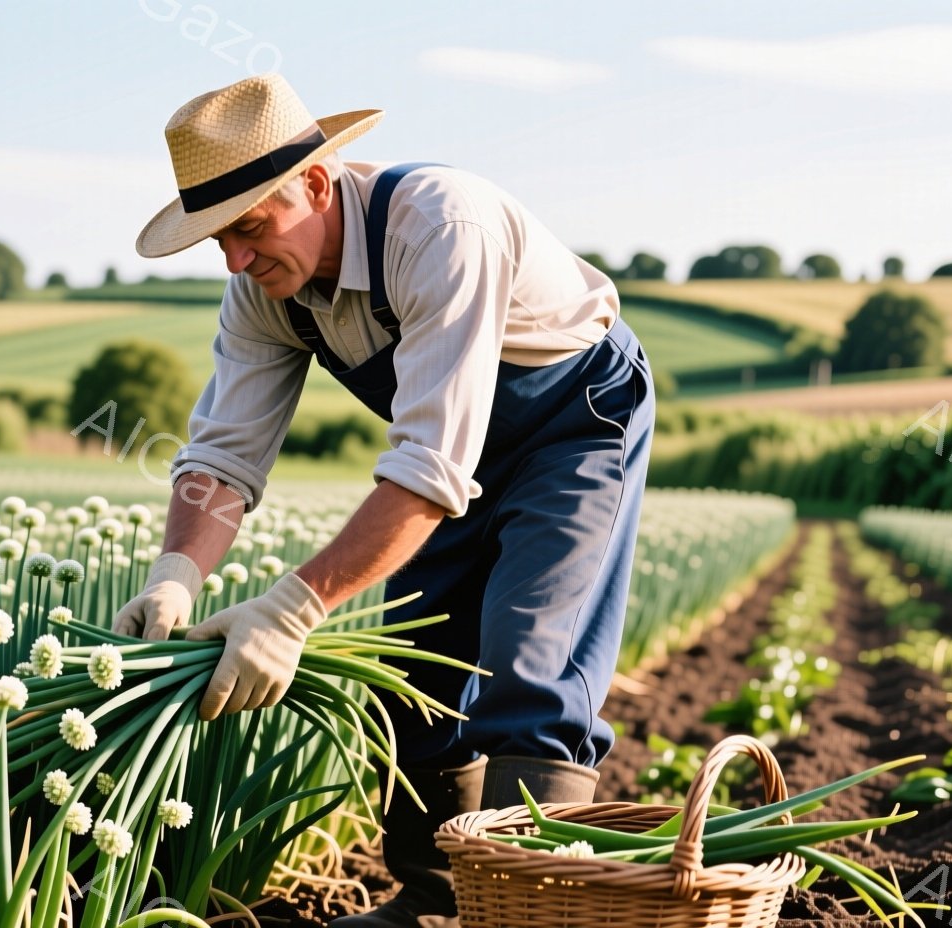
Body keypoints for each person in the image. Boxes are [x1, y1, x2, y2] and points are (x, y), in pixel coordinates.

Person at [113, 73, 655, 927]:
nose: (237, 260)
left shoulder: (442, 225)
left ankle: (532, 910)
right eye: (218, 239)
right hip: (450, 454)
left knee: (531, 663)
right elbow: (223, 452)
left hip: (571, 425)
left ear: (318, 184)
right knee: (417, 672)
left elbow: (433, 464)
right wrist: (176, 574)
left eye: (250, 227)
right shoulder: (264, 292)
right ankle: (436, 899)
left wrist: (292, 610)